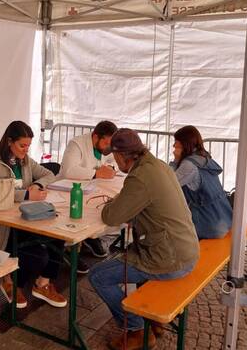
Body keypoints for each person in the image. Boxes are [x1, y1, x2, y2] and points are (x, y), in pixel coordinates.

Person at [88, 128, 199, 350]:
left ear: (121, 155)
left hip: (169, 258)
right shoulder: (157, 165)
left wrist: (115, 203)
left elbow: (111, 216)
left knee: (97, 276)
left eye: (114, 155)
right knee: (132, 253)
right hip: (187, 250)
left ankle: (136, 329)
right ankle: (154, 321)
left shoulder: (139, 177)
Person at [0, 121, 67, 309]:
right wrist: (26, 194)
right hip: (0, 226)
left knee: (58, 237)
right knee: (38, 255)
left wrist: (38, 185)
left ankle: (43, 284)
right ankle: (11, 283)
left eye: (28, 146)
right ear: (9, 141)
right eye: (22, 145)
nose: (26, 150)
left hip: (23, 219)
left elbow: (50, 174)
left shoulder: (24, 160)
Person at [59, 120, 118, 260]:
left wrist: (111, 168)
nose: (108, 148)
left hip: (90, 190)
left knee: (97, 211)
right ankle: (69, 249)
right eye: (106, 143)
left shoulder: (105, 146)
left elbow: (113, 160)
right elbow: (69, 170)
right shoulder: (76, 144)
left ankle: (89, 238)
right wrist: (96, 173)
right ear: (96, 137)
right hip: (66, 190)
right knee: (75, 216)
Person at [171, 125, 233, 240]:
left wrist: (175, 161)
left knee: (167, 231)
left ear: (184, 143)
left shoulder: (189, 166)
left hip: (207, 225)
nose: (174, 145)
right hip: (224, 218)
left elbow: (167, 184)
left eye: (176, 141)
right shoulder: (204, 158)